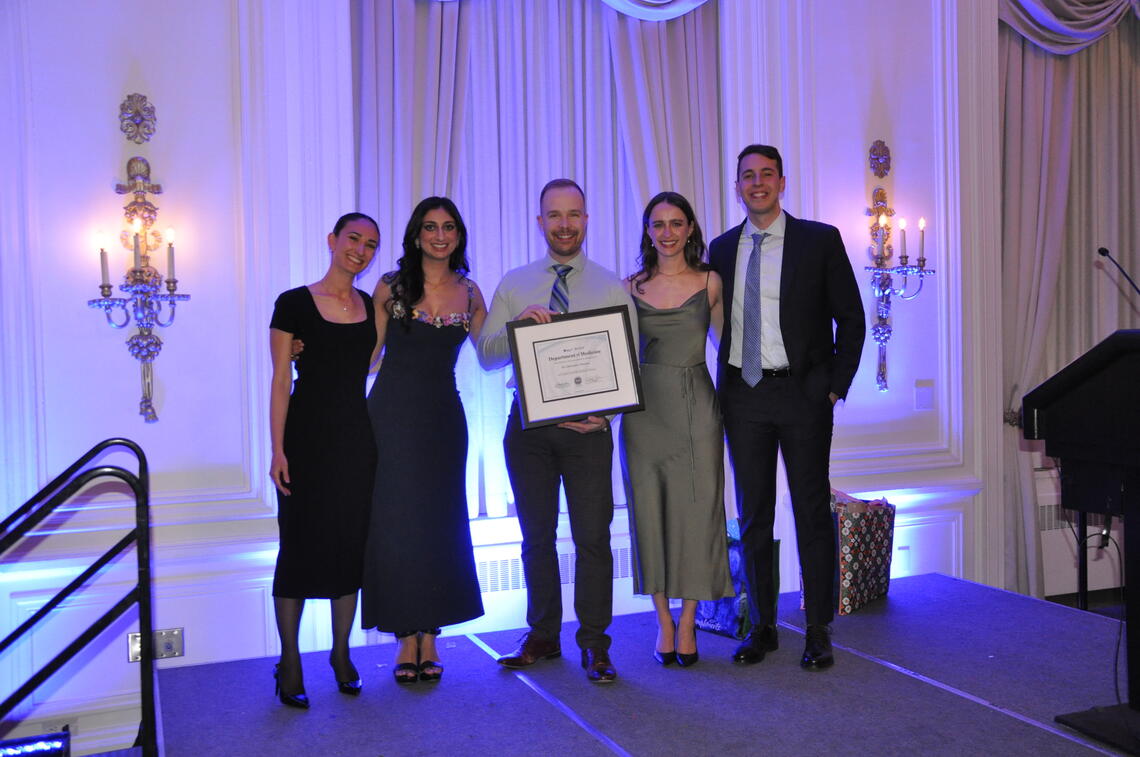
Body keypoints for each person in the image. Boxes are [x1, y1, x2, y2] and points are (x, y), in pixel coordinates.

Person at [708, 145, 865, 671]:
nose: (757, 183)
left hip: (803, 396)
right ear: (737, 186)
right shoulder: (721, 249)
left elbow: (852, 318)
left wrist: (834, 387)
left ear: (781, 182)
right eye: (748, 176)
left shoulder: (819, 240)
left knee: (810, 512)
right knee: (754, 516)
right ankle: (763, 627)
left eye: (766, 174)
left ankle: (818, 628)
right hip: (744, 395)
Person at [476, 179, 636, 683]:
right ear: (540, 221)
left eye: (573, 214)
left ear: (586, 220)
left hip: (588, 433)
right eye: (554, 215)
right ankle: (543, 634)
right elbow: (486, 355)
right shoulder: (515, 283)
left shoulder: (610, 286)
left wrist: (606, 416)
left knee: (593, 539)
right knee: (536, 538)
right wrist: (518, 326)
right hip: (528, 431)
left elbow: (631, 360)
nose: (564, 224)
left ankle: (595, 644)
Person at [360, 196, 487, 684]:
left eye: (449, 227)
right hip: (390, 418)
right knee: (395, 524)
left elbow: (493, 352)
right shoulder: (390, 286)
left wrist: (533, 324)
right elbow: (369, 356)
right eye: (431, 227)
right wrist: (315, 351)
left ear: (458, 236)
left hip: (443, 422)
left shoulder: (470, 293)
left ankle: (429, 636)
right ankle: (403, 637)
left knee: (439, 523)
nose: (440, 235)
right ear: (416, 234)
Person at [268, 212, 381, 708]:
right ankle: (290, 660)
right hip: (305, 439)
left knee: (348, 546)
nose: (361, 249)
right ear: (332, 240)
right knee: (296, 545)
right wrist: (277, 449)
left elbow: (377, 359)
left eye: (371, 244)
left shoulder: (371, 307)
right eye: (353, 238)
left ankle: (340, 653)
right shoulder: (292, 302)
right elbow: (279, 380)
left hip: (356, 441)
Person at [620, 191, 733, 669]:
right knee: (650, 515)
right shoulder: (628, 287)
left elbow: (729, 348)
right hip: (644, 414)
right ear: (648, 232)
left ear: (689, 230)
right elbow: (613, 355)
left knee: (697, 515)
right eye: (658, 224)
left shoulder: (710, 282)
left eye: (675, 223)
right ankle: (662, 620)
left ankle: (688, 621)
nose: (667, 232)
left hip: (697, 410)